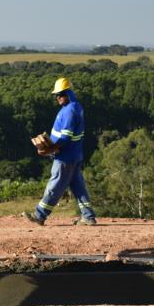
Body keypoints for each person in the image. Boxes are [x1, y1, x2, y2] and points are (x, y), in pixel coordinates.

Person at [23, 77, 96, 226]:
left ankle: (39, 215)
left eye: (60, 94)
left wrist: (48, 150)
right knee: (78, 186)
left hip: (65, 157)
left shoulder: (69, 111)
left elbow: (65, 138)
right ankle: (88, 216)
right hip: (74, 155)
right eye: (56, 95)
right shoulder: (76, 106)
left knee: (55, 185)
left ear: (68, 93)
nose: (57, 98)